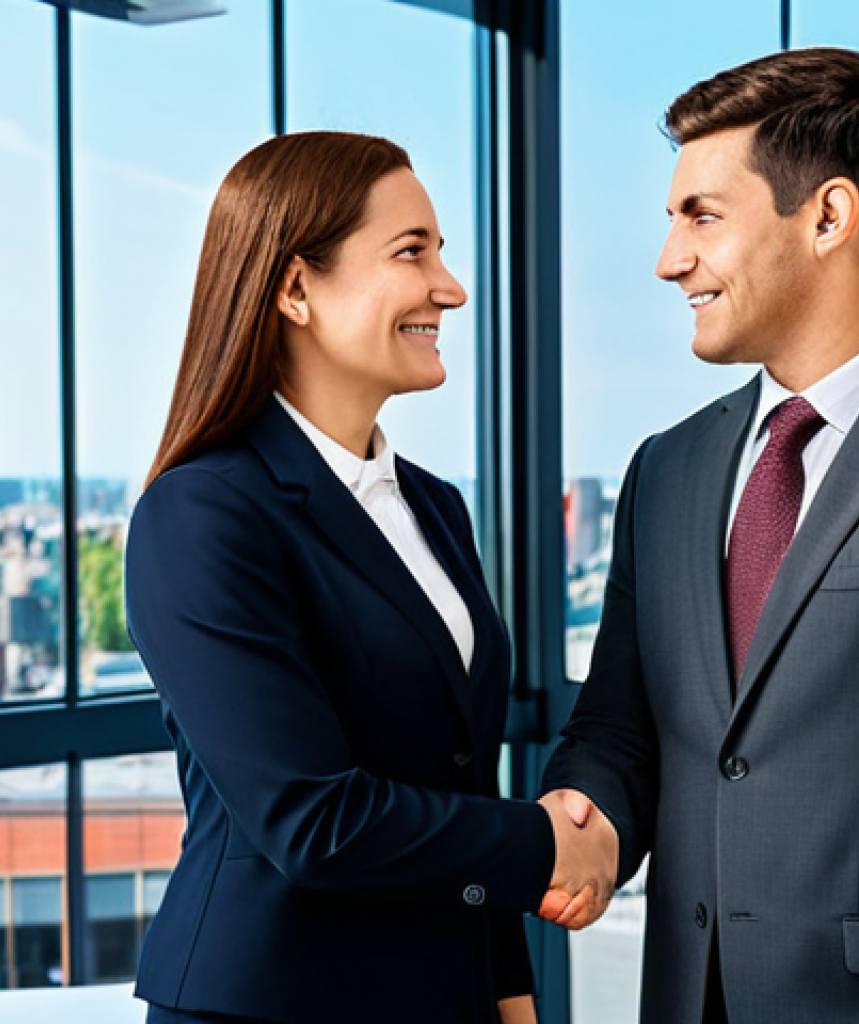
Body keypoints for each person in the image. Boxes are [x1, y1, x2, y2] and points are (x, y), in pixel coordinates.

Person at [124, 132, 615, 1024]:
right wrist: (542, 843)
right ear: (295, 288)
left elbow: (459, 780)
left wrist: (510, 993)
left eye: (441, 251)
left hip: (446, 994)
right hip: (272, 1004)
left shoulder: (432, 506)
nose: (451, 288)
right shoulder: (201, 515)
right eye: (412, 251)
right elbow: (311, 819)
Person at [540, 46, 859, 1024]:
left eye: (702, 215)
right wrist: (591, 819)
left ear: (827, 215)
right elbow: (620, 723)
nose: (667, 260)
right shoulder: (668, 469)